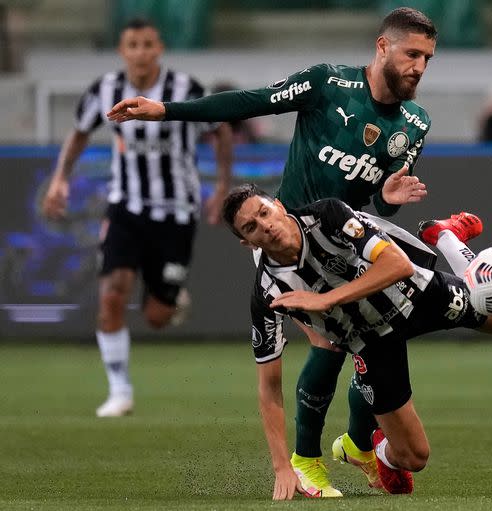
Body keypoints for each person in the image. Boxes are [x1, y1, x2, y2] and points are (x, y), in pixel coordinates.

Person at [108, 7, 438, 497]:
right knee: (332, 344)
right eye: (412, 53)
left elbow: (372, 204)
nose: (419, 66)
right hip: (289, 244)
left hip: (348, 247)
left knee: (380, 337)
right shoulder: (326, 84)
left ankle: (358, 444)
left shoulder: (415, 123)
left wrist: (387, 200)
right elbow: (252, 101)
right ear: (382, 46)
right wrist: (167, 111)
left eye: (428, 58)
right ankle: (306, 461)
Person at [221, 184, 492, 499]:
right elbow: (269, 390)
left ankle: (444, 236)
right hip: (371, 343)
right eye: (251, 227)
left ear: (279, 206)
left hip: (415, 294)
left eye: (264, 213)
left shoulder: (327, 216)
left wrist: (326, 300)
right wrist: (282, 466)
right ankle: (379, 449)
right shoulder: (268, 292)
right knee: (414, 458)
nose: (265, 226)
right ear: (247, 242)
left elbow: (398, 265)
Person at [41, 18, 233, 418]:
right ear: (122, 50)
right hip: (125, 206)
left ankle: (171, 297)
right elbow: (78, 133)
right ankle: (119, 390)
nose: (141, 52)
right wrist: (60, 179)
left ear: (159, 48)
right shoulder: (104, 90)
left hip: (176, 212)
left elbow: (220, 130)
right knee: (111, 292)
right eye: (133, 45)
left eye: (148, 44)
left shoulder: (185, 89)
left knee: (157, 317)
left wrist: (221, 187)